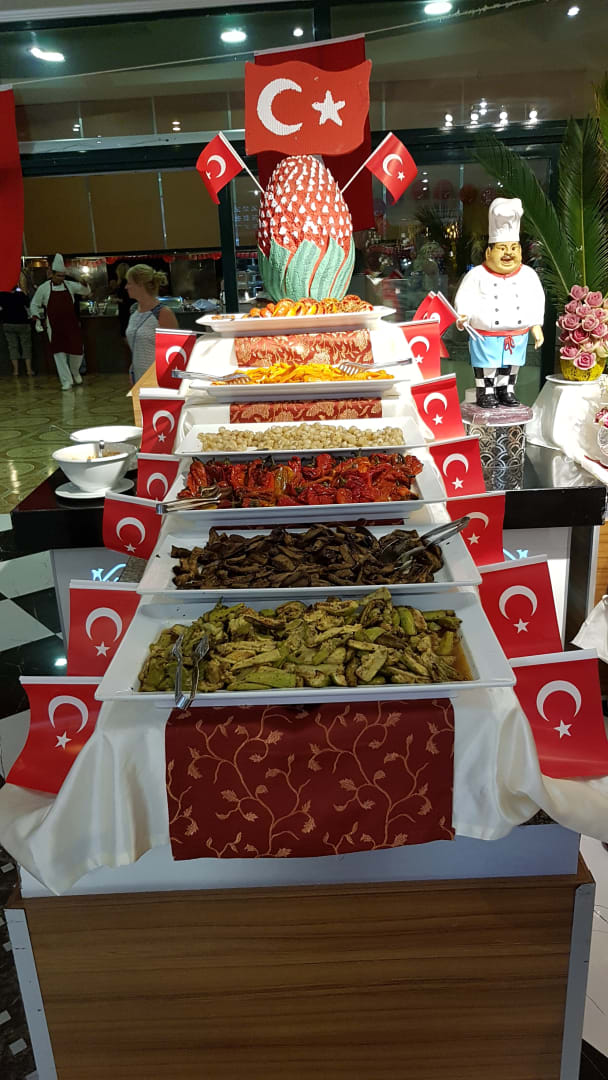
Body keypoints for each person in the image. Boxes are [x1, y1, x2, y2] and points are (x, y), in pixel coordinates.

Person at [454, 198, 545, 408]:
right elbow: (464, 298)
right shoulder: (477, 275)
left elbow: (536, 299)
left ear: (520, 252)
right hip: (485, 335)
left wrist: (536, 326)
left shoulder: (528, 275)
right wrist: (463, 315)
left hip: (517, 335)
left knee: (511, 366)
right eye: (502, 248)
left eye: (514, 248)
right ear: (489, 253)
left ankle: (506, 391)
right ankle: (486, 392)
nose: (508, 253)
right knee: (487, 366)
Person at [30, 253, 91, 391]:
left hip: (71, 325)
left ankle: (75, 371)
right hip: (54, 327)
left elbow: (86, 291)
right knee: (59, 354)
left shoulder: (69, 285)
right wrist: (37, 318)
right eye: (58, 276)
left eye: (63, 276)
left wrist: (84, 283)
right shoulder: (44, 288)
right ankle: (66, 381)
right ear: (52, 274)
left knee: (77, 352)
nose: (61, 279)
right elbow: (34, 304)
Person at [125, 264, 178, 385]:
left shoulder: (163, 313)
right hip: (138, 376)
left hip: (158, 379)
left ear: (140, 285)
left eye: (129, 283)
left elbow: (174, 353)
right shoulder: (134, 310)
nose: (126, 287)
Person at [0, 273, 33, 376]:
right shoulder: (21, 295)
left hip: (8, 323)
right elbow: (28, 305)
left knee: (12, 347)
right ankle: (29, 370)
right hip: (23, 323)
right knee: (26, 346)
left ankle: (16, 371)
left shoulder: (2, 295)